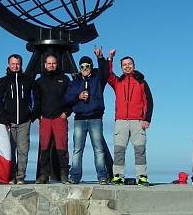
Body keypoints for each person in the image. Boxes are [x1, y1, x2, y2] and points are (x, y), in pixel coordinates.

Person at [105, 49, 153, 186]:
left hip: (138, 121)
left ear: (134, 65)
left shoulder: (142, 82)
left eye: (129, 64)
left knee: (140, 150)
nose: (127, 66)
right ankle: (118, 176)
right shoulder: (117, 82)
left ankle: (142, 177)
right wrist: (110, 59)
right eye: (124, 65)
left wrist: (147, 119)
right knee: (119, 150)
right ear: (121, 67)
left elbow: (149, 101)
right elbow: (108, 75)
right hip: (121, 121)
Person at [63, 49, 109, 184]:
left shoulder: (97, 79)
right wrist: (78, 96)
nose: (85, 69)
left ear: (91, 67)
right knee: (77, 149)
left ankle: (102, 176)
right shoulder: (75, 82)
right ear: (79, 68)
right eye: (82, 66)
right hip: (79, 119)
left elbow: (105, 73)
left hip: (95, 118)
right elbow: (66, 99)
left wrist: (100, 58)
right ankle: (75, 176)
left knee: (98, 149)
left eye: (87, 66)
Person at [0, 53, 35, 184]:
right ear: (8, 65)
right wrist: (3, 120)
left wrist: (31, 116)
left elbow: (35, 99)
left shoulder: (28, 80)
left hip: (24, 121)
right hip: (9, 122)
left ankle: (20, 176)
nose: (15, 66)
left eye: (18, 64)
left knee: (23, 150)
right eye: (13, 64)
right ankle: (11, 176)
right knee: (10, 150)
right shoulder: (2, 81)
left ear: (21, 65)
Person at [33, 54, 71, 184]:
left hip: (59, 117)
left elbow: (70, 97)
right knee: (44, 147)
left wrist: (67, 112)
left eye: (53, 63)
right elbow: (35, 100)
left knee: (62, 147)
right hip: (45, 118)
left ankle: (64, 174)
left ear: (57, 64)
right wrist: (38, 114)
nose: (51, 65)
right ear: (45, 65)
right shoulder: (39, 81)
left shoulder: (64, 79)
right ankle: (44, 175)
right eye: (49, 63)